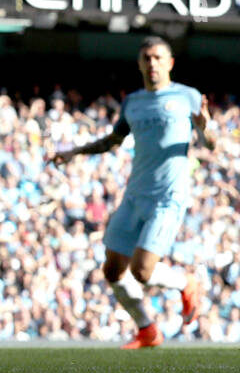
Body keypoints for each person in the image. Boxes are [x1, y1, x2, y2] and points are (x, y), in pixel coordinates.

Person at [50, 36, 213, 348]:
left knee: (141, 271)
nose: (152, 63)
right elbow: (113, 140)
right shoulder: (133, 102)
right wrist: (74, 151)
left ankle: (186, 283)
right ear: (140, 64)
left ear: (170, 63)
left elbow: (211, 144)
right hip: (135, 194)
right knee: (113, 270)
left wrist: (205, 128)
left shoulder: (187, 97)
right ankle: (147, 330)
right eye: (146, 58)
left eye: (157, 57)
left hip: (168, 196)